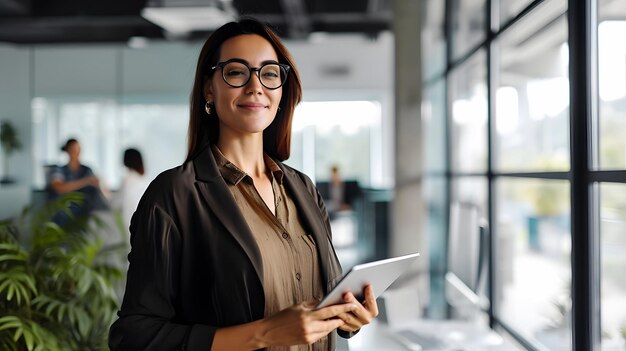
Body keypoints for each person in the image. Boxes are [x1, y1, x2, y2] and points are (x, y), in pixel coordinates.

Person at [109, 18, 378, 351]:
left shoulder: (303, 189)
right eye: (236, 72)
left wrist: (350, 315)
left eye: (269, 73)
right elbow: (134, 336)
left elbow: (329, 299)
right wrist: (266, 333)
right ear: (209, 88)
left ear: (281, 89)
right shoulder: (175, 195)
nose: (256, 87)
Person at [48, 138, 109, 223]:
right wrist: (85, 181)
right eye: (73, 149)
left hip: (85, 210)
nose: (76, 152)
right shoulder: (59, 170)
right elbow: (59, 187)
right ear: (67, 150)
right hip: (64, 211)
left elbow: (98, 187)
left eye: (78, 149)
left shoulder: (87, 170)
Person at [113, 148, 149, 230]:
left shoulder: (128, 180)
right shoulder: (144, 180)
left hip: (130, 221)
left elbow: (115, 203)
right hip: (144, 221)